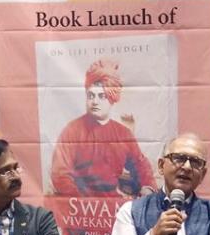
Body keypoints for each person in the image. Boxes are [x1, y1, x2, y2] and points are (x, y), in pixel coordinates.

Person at [50, 59, 156, 197]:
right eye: (91, 96)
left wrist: (147, 188)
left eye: (101, 96)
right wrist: (81, 201)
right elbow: (60, 174)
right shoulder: (72, 130)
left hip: (115, 202)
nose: (95, 102)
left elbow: (141, 165)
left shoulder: (123, 133)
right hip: (79, 203)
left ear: (112, 99)